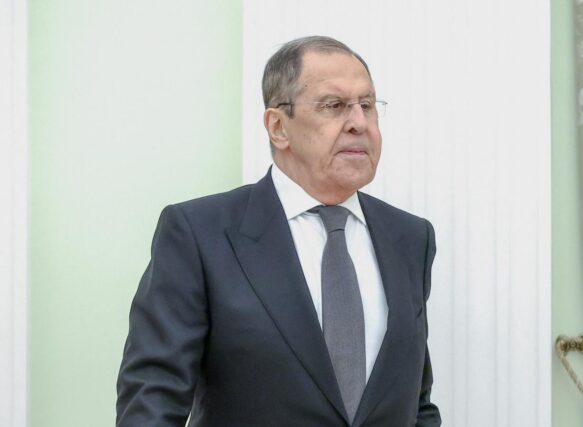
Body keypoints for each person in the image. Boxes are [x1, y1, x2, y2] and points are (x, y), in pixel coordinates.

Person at [116, 35, 441, 427]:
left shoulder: (410, 238)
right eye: (334, 105)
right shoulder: (199, 234)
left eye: (367, 105)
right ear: (278, 127)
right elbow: (153, 398)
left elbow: (415, 403)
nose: (359, 123)